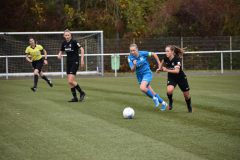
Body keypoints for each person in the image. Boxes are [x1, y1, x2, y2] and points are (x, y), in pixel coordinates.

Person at [128, 43, 167, 111]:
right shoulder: (130, 58)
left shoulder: (143, 53)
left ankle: (154, 99)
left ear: (137, 49)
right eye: (131, 51)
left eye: (134, 50)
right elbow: (132, 70)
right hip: (139, 76)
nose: (132, 52)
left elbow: (154, 54)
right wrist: (134, 64)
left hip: (147, 73)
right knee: (151, 92)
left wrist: (159, 64)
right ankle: (163, 103)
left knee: (142, 88)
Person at [158, 45, 192, 112]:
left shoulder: (177, 59)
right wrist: (159, 68)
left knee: (186, 95)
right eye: (165, 51)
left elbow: (177, 71)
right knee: (169, 91)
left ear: (172, 52)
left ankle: (189, 106)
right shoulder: (166, 58)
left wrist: (166, 70)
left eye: (168, 51)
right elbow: (162, 62)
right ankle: (170, 101)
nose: (166, 53)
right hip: (171, 77)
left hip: (181, 78)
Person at [57, 29, 85, 102]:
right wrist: (59, 54)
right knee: (70, 82)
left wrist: (82, 59)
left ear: (70, 35)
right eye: (65, 35)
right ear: (64, 36)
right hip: (68, 63)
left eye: (68, 35)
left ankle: (82, 93)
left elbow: (82, 49)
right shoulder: (64, 43)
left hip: (75, 62)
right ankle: (75, 98)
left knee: (70, 80)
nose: (67, 36)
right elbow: (61, 50)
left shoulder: (74, 42)